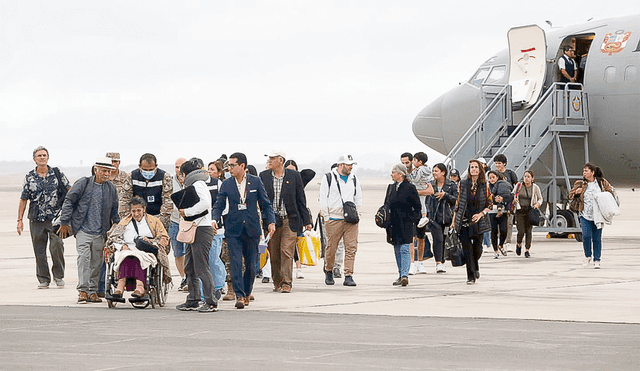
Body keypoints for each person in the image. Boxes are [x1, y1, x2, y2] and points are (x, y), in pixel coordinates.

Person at [212, 152, 276, 309]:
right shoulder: (227, 184)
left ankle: (247, 292)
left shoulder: (255, 182)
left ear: (242, 166)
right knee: (235, 262)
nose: (230, 168)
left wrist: (271, 222)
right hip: (233, 229)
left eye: (233, 165)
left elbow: (266, 204)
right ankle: (239, 295)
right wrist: (215, 219)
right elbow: (218, 204)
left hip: (252, 229)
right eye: (229, 166)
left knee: (251, 265)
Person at [58, 157, 120, 303]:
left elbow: (114, 211)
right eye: (104, 170)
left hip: (100, 232)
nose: (106, 174)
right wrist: (64, 221)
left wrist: (118, 225)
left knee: (96, 263)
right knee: (83, 260)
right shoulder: (83, 183)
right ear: (96, 169)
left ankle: (93, 292)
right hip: (83, 230)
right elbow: (69, 201)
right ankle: (83, 291)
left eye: (109, 171)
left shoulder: (111, 188)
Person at [17, 146, 71, 289]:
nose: (42, 157)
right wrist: (19, 220)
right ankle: (43, 279)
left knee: (57, 246)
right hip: (36, 219)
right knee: (39, 250)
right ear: (34, 159)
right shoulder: (29, 177)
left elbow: (70, 191)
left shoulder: (57, 174)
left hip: (56, 218)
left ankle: (59, 276)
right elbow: (23, 199)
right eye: (39, 155)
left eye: (44, 155)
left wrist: (69, 213)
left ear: (48, 157)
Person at [259, 151, 312, 293]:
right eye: (268, 158)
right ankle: (277, 282)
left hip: (290, 220)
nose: (269, 161)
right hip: (271, 222)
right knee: (274, 253)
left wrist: (307, 220)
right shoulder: (263, 176)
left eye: (272, 159)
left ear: (280, 160)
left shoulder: (294, 176)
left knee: (286, 251)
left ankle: (287, 283)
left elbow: (301, 199)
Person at [174, 158, 218, 313]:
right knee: (190, 266)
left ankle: (210, 301)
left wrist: (187, 212)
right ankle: (193, 299)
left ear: (185, 174)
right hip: (196, 228)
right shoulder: (199, 184)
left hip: (201, 229)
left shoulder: (198, 185)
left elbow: (205, 203)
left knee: (201, 266)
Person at [106, 196, 171, 298]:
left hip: (145, 250)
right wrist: (122, 245)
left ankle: (140, 286)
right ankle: (120, 286)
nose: (136, 214)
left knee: (138, 256)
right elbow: (113, 237)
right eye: (133, 211)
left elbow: (164, 238)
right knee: (125, 255)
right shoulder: (124, 222)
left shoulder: (154, 221)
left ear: (144, 209)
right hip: (127, 249)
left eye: (139, 210)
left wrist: (151, 241)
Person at [319, 154, 362, 287]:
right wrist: (326, 217)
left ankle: (348, 274)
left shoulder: (354, 179)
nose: (351, 167)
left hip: (351, 219)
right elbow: (323, 197)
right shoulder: (328, 178)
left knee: (351, 248)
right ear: (341, 165)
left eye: (352, 165)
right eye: (348, 165)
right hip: (333, 218)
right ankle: (329, 270)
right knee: (331, 247)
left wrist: (358, 214)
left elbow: (358, 197)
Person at [451, 159, 492, 285]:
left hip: (479, 221)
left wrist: (481, 214)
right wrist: (454, 221)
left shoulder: (484, 185)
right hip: (464, 220)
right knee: (467, 249)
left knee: (477, 249)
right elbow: (457, 204)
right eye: (471, 167)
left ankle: (476, 265)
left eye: (476, 167)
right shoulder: (463, 184)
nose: (473, 169)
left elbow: (489, 204)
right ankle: (470, 275)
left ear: (480, 170)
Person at [568, 163, 616, 269]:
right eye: (583, 171)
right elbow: (570, 195)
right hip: (585, 214)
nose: (584, 173)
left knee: (597, 238)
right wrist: (576, 192)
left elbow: (611, 192)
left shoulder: (602, 183)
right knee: (585, 236)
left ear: (592, 172)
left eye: (586, 170)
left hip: (598, 215)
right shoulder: (580, 183)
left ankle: (597, 259)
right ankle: (587, 255)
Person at [384, 164, 421, 286]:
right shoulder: (391, 188)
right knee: (397, 249)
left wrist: (411, 219)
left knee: (405, 248)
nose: (391, 174)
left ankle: (405, 275)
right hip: (393, 224)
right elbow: (386, 205)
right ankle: (400, 274)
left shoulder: (410, 187)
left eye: (393, 172)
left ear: (400, 174)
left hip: (405, 223)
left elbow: (417, 207)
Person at [426, 163, 458, 273]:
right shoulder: (430, 185)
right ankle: (438, 262)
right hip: (434, 218)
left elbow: (456, 200)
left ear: (443, 172)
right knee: (438, 239)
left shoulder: (452, 185)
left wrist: (446, 196)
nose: (434, 173)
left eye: (436, 171)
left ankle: (443, 261)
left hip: (447, 219)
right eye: (433, 171)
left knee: (444, 239)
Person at [131, 153, 173, 231]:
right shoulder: (132, 176)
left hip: (158, 218)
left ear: (156, 166)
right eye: (145, 170)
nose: (148, 172)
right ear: (140, 166)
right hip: (137, 218)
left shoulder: (164, 177)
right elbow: (125, 200)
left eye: (151, 170)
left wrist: (158, 222)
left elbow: (168, 202)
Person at [407, 151, 432, 275]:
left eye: (410, 161)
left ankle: (419, 262)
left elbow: (430, 190)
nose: (409, 164)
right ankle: (412, 263)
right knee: (411, 237)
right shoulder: (427, 170)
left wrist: (415, 191)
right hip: (411, 210)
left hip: (417, 206)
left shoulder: (418, 171)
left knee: (420, 237)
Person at [205, 161, 226, 299]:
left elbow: (223, 206)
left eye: (212, 169)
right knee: (205, 260)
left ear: (219, 173)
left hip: (216, 228)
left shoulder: (219, 184)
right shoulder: (200, 184)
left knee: (214, 259)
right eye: (208, 169)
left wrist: (216, 221)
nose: (209, 171)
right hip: (202, 227)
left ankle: (219, 285)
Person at [168, 158, 188, 291]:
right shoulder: (169, 181)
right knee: (178, 252)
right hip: (175, 220)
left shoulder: (192, 180)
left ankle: (190, 278)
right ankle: (183, 277)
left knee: (189, 251)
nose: (178, 170)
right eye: (176, 167)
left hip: (188, 221)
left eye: (181, 167)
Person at [512, 170, 543, 258]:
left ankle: (527, 250)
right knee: (521, 231)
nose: (526, 178)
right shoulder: (519, 186)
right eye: (525, 176)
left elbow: (540, 198)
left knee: (529, 231)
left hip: (529, 211)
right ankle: (518, 244)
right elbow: (513, 194)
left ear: (532, 178)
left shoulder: (535, 187)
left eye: (528, 177)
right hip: (519, 211)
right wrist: (514, 200)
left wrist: (537, 204)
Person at [493, 154, 518, 251]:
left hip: (509, 201)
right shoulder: (494, 174)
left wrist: (515, 197)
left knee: (509, 222)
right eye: (496, 163)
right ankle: (501, 242)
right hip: (498, 202)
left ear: (504, 163)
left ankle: (508, 242)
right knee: (499, 223)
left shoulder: (510, 174)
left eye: (499, 163)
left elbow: (517, 186)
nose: (497, 165)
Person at [487, 170, 513, 258]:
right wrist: (495, 199)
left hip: (503, 211)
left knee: (503, 230)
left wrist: (503, 199)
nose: (492, 179)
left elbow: (510, 194)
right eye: (490, 178)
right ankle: (495, 250)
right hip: (492, 211)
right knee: (494, 231)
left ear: (497, 177)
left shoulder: (503, 185)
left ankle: (501, 245)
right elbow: (487, 197)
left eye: (493, 177)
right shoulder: (488, 187)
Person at [105, 152, 133, 220]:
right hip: (105, 217)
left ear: (119, 162)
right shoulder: (102, 178)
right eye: (110, 161)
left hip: (123, 217)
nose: (113, 164)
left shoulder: (127, 177)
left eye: (115, 161)